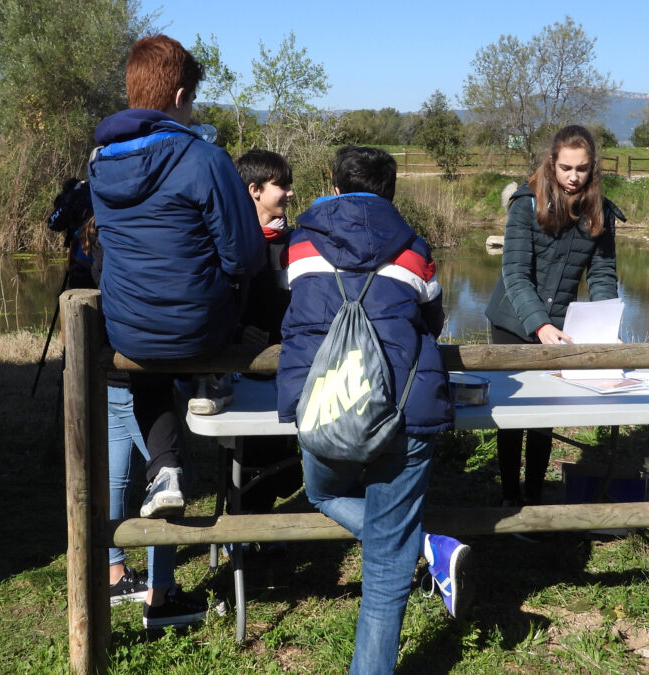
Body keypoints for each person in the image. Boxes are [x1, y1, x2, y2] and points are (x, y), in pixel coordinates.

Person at [87, 34, 266, 627]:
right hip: (200, 328)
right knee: (224, 311)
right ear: (182, 95)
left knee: (148, 353)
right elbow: (243, 255)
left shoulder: (99, 162)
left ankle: (166, 464)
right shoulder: (203, 158)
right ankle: (213, 385)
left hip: (129, 332)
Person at [277, 145, 471, 673]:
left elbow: (293, 306)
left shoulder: (300, 244)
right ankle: (420, 544)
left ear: (334, 187)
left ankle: (419, 543)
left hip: (323, 405)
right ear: (390, 192)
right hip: (405, 409)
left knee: (320, 490)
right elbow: (432, 319)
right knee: (386, 568)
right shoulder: (414, 248)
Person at [484, 124, 625, 507]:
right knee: (513, 417)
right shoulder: (525, 203)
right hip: (513, 322)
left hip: (561, 326)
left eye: (581, 169)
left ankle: (535, 496)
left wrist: (603, 327)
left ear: (592, 167)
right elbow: (514, 272)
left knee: (544, 415)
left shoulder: (601, 212)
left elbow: (601, 275)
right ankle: (510, 499)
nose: (573, 177)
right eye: (566, 168)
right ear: (552, 163)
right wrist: (539, 324)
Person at [231, 149, 302, 523]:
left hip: (288, 363)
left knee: (282, 451)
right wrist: (239, 331)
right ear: (255, 190)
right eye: (282, 185)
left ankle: (264, 521)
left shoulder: (296, 242)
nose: (290, 193)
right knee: (247, 451)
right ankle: (241, 527)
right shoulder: (232, 243)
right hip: (242, 367)